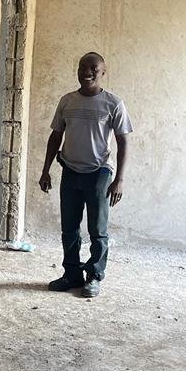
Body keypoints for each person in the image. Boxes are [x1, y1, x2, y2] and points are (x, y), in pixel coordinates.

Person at [38, 52, 133, 298]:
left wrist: (119, 180)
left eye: (94, 68)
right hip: (70, 170)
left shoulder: (113, 104)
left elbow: (123, 142)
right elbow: (55, 136)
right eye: (83, 67)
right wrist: (45, 169)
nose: (87, 72)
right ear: (78, 70)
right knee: (69, 228)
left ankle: (94, 276)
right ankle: (72, 275)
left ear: (103, 72)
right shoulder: (67, 101)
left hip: (99, 173)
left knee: (97, 229)